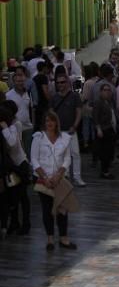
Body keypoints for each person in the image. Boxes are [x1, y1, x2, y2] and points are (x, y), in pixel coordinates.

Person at [30, 111, 77, 251]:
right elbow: (34, 159)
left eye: (51, 120)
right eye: (46, 121)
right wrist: (45, 177)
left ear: (56, 122)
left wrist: (58, 175)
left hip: (60, 178)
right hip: (42, 178)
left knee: (62, 208)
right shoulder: (38, 138)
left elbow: (68, 158)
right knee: (47, 209)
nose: (49, 123)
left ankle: (64, 238)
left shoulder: (65, 138)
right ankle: (50, 239)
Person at [0, 102, 31, 235]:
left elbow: (12, 143)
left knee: (22, 196)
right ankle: (14, 223)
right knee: (12, 195)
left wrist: (5, 128)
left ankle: (26, 224)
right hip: (11, 166)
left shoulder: (15, 125)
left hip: (20, 165)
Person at [51, 76, 85, 187]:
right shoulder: (54, 97)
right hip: (59, 131)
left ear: (67, 82)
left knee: (75, 154)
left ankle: (77, 177)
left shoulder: (74, 96)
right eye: (58, 82)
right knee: (62, 155)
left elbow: (79, 111)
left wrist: (75, 126)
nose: (60, 84)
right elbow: (51, 114)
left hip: (71, 130)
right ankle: (65, 177)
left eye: (62, 82)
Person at [6, 68, 34, 158]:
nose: (20, 83)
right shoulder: (9, 95)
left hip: (28, 127)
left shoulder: (28, 93)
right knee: (19, 154)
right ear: (14, 82)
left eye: (22, 81)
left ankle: (30, 170)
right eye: (17, 81)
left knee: (30, 152)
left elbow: (31, 109)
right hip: (16, 128)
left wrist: (33, 124)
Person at [93, 84, 117, 179]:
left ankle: (106, 169)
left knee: (109, 151)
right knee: (105, 152)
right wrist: (98, 129)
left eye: (109, 90)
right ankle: (104, 171)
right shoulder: (98, 102)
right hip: (103, 129)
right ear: (101, 91)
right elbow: (95, 117)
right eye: (105, 90)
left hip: (110, 128)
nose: (107, 92)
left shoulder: (109, 102)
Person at [32, 60, 50, 131]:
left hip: (36, 103)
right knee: (45, 122)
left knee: (38, 122)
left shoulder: (34, 78)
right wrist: (50, 101)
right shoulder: (43, 77)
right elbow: (45, 91)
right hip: (43, 103)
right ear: (44, 68)